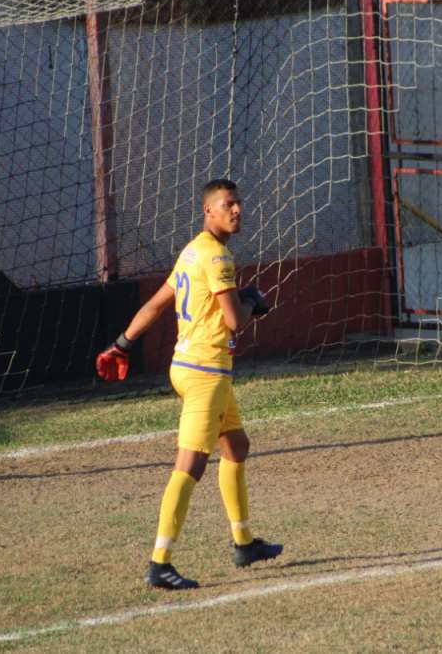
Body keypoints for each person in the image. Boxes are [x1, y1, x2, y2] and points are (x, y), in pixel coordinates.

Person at [95, 178, 282, 590]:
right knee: (190, 464)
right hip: (206, 373)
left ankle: (244, 543)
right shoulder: (217, 258)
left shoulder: (192, 250)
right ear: (208, 211)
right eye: (228, 204)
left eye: (239, 203)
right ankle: (159, 563)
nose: (237, 210)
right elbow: (235, 321)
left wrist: (120, 345)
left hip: (190, 367)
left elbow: (156, 304)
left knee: (236, 445)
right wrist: (255, 301)